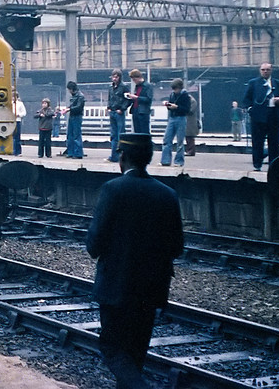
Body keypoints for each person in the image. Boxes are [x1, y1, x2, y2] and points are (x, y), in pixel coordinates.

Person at [86, 133, 184, 389]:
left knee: (112, 347)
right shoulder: (168, 194)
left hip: (116, 287)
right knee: (136, 351)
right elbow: (177, 247)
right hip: (152, 289)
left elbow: (94, 244)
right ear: (149, 158)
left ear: (123, 157)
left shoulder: (113, 189)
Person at [242, 62, 279, 171]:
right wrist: (251, 110)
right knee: (257, 141)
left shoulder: (278, 83)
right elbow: (246, 99)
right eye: (263, 70)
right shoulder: (253, 83)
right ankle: (257, 164)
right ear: (260, 71)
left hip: (273, 116)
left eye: (267, 70)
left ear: (271, 71)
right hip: (258, 117)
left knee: (274, 142)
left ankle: (273, 165)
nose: (265, 72)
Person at [160, 79, 190, 167]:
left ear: (180, 88)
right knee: (166, 139)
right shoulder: (172, 95)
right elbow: (170, 107)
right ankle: (165, 161)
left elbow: (187, 109)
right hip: (172, 118)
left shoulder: (185, 96)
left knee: (180, 141)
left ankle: (179, 161)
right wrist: (168, 105)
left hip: (181, 118)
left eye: (175, 89)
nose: (174, 91)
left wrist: (177, 107)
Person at [106, 69, 130, 162]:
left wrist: (122, 109)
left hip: (119, 113)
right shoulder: (110, 87)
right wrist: (108, 107)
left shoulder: (124, 87)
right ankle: (114, 156)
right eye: (113, 76)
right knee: (113, 135)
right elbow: (109, 98)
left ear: (120, 77)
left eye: (117, 76)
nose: (114, 78)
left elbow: (129, 99)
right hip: (112, 112)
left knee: (121, 135)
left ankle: (122, 156)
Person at [60, 81, 85, 159]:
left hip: (77, 116)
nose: (69, 91)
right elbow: (72, 105)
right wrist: (67, 108)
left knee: (76, 135)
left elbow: (79, 107)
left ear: (71, 89)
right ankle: (71, 152)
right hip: (72, 116)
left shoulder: (80, 96)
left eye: (69, 89)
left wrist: (69, 109)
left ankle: (78, 153)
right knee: (70, 135)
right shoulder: (74, 96)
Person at [127, 69, 153, 135]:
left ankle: (145, 145)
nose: (134, 82)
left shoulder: (148, 86)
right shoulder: (137, 86)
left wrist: (136, 97)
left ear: (139, 77)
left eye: (134, 80)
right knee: (137, 132)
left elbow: (148, 99)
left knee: (144, 132)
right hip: (135, 111)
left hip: (143, 112)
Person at [12, 92, 26, 156]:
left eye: (14, 96)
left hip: (17, 121)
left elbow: (24, 112)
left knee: (17, 137)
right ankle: (12, 150)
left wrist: (19, 115)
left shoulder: (20, 104)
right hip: (10, 121)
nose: (13, 98)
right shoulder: (10, 103)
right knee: (11, 137)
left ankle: (18, 152)